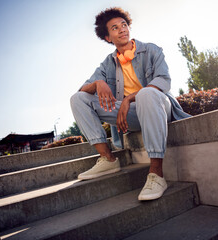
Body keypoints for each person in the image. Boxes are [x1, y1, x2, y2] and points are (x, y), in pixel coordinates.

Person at [70, 7, 190, 201]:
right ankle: (108, 159)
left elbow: (163, 82)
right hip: (130, 115)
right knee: (78, 99)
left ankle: (157, 174)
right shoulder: (108, 63)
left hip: (158, 105)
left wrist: (128, 98)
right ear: (108, 37)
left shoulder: (151, 50)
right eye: (115, 28)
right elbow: (83, 89)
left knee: (146, 94)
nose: (122, 29)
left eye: (124, 25)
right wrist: (98, 83)